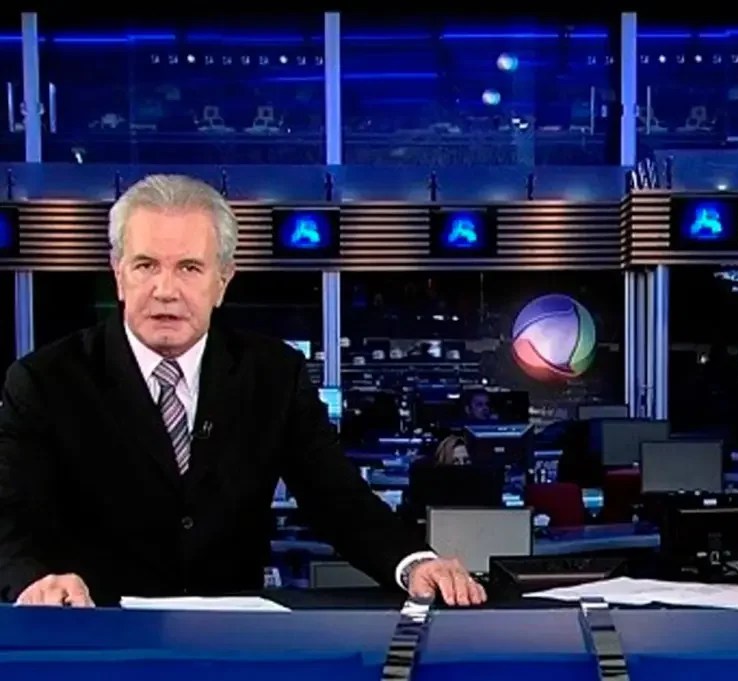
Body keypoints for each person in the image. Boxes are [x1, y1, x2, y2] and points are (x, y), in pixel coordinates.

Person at [0, 174, 486, 608]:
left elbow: (337, 499)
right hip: (98, 639)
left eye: (189, 268)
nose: (165, 289)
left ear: (223, 281)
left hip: (232, 642)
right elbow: (11, 521)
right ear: (118, 273)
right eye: (146, 265)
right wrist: (33, 582)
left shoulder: (273, 374)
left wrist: (413, 562)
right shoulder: (44, 380)